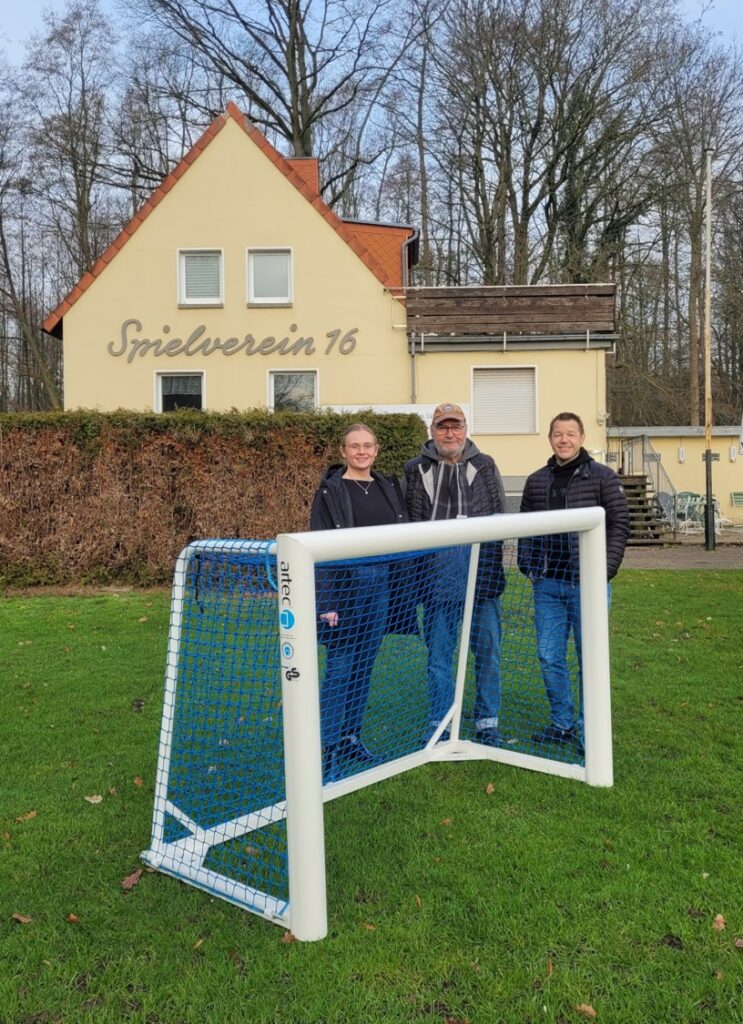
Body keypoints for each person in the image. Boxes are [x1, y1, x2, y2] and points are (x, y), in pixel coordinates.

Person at [518, 412, 630, 753]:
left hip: (588, 586)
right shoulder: (537, 481)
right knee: (549, 656)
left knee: (589, 658)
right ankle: (562, 723)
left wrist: (603, 572)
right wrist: (528, 565)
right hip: (548, 585)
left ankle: (589, 728)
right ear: (550, 439)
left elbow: (620, 525)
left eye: (570, 434)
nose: (563, 440)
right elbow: (525, 527)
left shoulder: (603, 478)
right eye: (557, 434)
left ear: (581, 437)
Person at [310, 423, 409, 778]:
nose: (362, 452)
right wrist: (327, 602)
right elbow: (320, 548)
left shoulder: (388, 486)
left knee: (364, 667)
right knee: (340, 668)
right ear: (343, 452)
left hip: (381, 586)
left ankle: (351, 736)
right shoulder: (330, 492)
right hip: (346, 588)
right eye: (355, 446)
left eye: (368, 446)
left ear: (377, 450)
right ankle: (326, 746)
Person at [404, 402, 506, 745]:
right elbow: (410, 524)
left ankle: (487, 722)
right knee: (439, 657)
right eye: (442, 427)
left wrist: (491, 570)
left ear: (465, 429)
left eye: (456, 426)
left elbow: (499, 520)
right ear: (432, 431)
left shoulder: (486, 465)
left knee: (488, 652)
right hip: (435, 577)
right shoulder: (414, 469)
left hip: (481, 576)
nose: (450, 433)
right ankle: (441, 721)